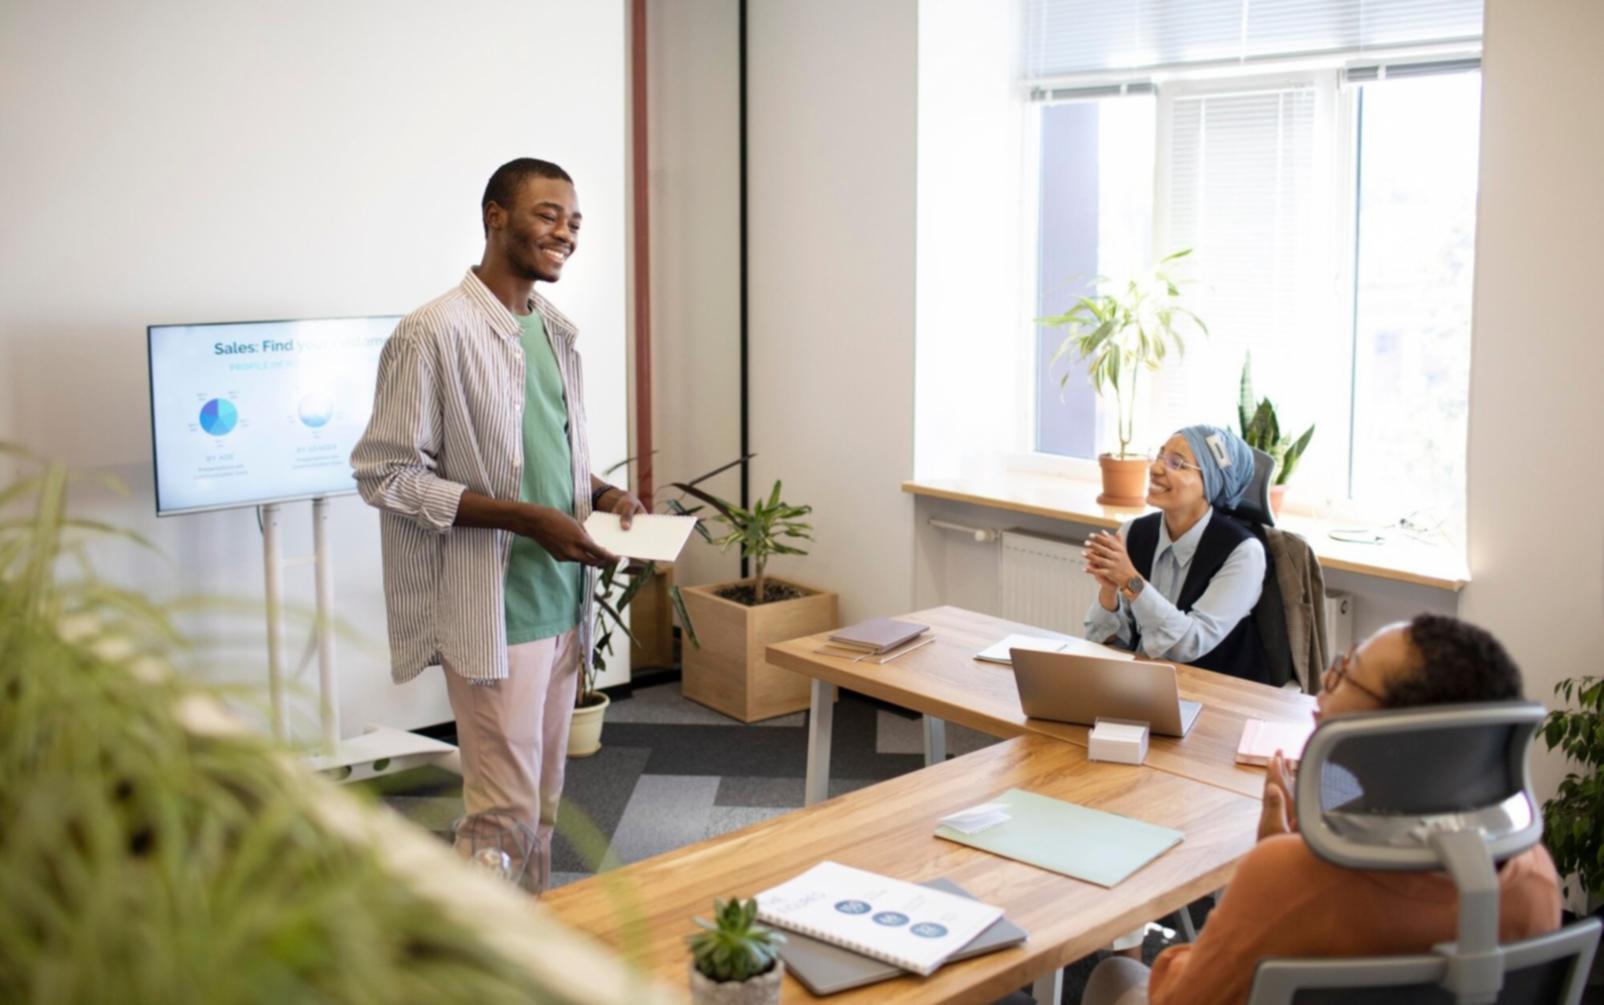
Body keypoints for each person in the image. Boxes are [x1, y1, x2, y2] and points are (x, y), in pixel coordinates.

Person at [352, 157, 644, 894]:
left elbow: (550, 455)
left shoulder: (553, 330)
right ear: (495, 216)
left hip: (561, 603)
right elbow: (384, 475)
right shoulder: (431, 332)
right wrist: (523, 519)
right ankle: (472, 963)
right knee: (501, 812)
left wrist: (604, 496)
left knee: (541, 804)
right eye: (548, 214)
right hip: (493, 612)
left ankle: (528, 938)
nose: (565, 232)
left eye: (574, 221)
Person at [1081, 614, 1563, 1005]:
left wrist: (1268, 863)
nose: (1322, 691)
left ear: (1394, 739)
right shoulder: (1535, 879)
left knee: (1114, 973)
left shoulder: (1291, 877)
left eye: (1344, 675)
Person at [1083, 425, 1270, 684]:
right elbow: (1103, 641)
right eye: (1159, 456)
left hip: (1214, 693)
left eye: (1177, 463)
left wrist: (1130, 582)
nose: (1156, 468)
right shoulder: (1133, 532)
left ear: (1211, 482)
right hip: (1145, 685)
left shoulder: (1244, 553)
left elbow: (1188, 645)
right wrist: (1108, 591)